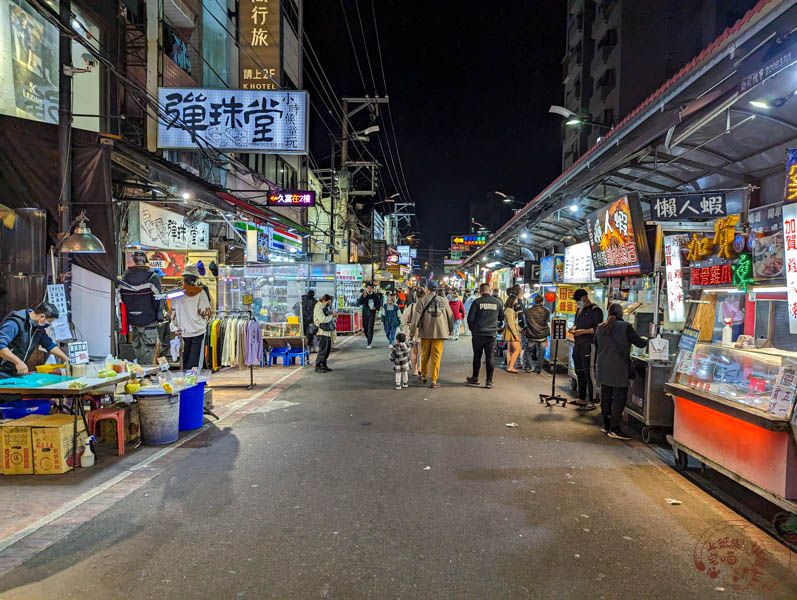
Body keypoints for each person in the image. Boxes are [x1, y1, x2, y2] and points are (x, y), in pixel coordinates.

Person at [595, 303, 648, 439]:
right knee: (619, 399)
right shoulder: (626, 327)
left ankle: (606, 426)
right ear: (621, 314)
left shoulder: (600, 327)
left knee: (606, 397)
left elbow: (596, 344)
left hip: (603, 367)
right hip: (619, 368)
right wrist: (649, 339)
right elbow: (639, 343)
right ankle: (615, 429)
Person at [0, 303, 69, 377]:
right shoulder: (14, 323)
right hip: (2, 371)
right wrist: (18, 362)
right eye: (49, 322)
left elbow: (49, 345)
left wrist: (67, 359)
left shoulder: (38, 328)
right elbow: (1, 345)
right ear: (42, 317)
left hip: (15, 372)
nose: (48, 325)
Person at [120, 250, 163, 365]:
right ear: (145, 260)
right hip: (148, 319)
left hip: (132, 320)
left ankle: (139, 373)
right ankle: (146, 374)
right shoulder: (152, 276)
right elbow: (158, 299)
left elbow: (120, 299)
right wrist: (159, 317)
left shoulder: (124, 276)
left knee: (137, 347)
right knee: (149, 348)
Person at [410, 280, 454, 388]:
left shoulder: (422, 300)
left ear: (427, 289)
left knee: (425, 355)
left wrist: (411, 333)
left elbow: (415, 318)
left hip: (426, 332)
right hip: (440, 333)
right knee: (436, 357)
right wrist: (451, 329)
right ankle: (434, 380)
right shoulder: (443, 300)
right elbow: (450, 316)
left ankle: (424, 376)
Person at [170, 264, 213, 371]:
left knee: (185, 355)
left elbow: (173, 313)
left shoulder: (177, 293)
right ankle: (193, 378)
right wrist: (205, 322)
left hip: (183, 329)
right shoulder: (200, 292)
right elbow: (206, 312)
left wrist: (176, 325)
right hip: (198, 329)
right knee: (196, 357)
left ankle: (185, 377)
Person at [570, 288, 604, 411]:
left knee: (589, 373)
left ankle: (592, 400)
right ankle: (581, 397)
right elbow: (576, 324)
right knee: (579, 371)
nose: (577, 302)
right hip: (577, 344)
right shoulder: (579, 310)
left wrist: (582, 332)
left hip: (589, 345)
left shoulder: (596, 311)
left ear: (584, 297)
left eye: (578, 300)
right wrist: (573, 328)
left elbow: (597, 329)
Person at [466, 283, 503, 388]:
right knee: (490, 357)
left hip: (478, 334)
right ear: (489, 290)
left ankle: (475, 378)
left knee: (477, 356)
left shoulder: (477, 302)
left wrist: (473, 329)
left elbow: (470, 318)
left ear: (481, 291)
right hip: (491, 334)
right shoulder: (497, 302)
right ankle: (489, 381)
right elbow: (501, 317)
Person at [523, 294, 550, 374]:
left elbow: (527, 323)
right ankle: (538, 369)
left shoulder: (528, 311)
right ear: (542, 301)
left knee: (528, 351)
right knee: (541, 352)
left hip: (532, 334)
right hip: (542, 334)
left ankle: (528, 367)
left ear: (535, 301)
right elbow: (547, 321)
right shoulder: (546, 311)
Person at [402, 288, 424, 376]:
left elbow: (404, 319)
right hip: (423, 330)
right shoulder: (425, 306)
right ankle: (421, 367)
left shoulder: (411, 306)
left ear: (416, 297)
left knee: (414, 351)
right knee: (423, 351)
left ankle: (415, 370)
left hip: (413, 330)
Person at [313, 294, 337, 372]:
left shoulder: (324, 307)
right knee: (322, 350)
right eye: (328, 302)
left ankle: (323, 365)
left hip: (327, 331)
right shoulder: (318, 307)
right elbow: (322, 319)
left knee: (327, 350)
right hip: (322, 332)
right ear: (324, 300)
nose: (329, 304)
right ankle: (318, 366)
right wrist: (331, 316)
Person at [357, 283, 382, 348]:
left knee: (370, 328)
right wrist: (363, 297)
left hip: (372, 314)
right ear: (366, 288)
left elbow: (378, 305)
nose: (369, 289)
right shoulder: (364, 295)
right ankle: (369, 337)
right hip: (365, 314)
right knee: (365, 328)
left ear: (373, 289)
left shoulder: (375, 296)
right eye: (368, 288)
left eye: (370, 288)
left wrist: (375, 308)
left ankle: (369, 342)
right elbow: (359, 302)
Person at [503, 294, 522, 373]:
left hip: (509, 331)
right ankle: (511, 367)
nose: (516, 302)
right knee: (518, 349)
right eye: (515, 300)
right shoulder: (509, 310)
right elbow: (511, 323)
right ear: (513, 301)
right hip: (512, 331)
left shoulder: (507, 309)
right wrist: (516, 334)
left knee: (510, 350)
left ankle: (509, 366)